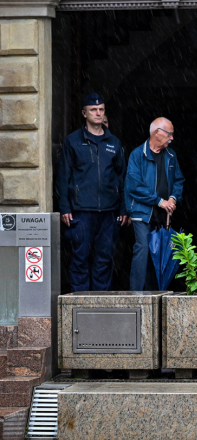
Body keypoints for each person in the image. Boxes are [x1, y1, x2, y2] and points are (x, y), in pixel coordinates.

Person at [55, 93, 129, 292]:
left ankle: (99, 302)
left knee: (104, 258)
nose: (98, 113)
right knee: (80, 257)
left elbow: (122, 178)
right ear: (84, 113)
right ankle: (80, 302)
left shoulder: (114, 142)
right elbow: (63, 177)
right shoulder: (73, 141)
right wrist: (64, 207)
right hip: (81, 210)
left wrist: (124, 208)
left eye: (101, 109)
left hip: (109, 211)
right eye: (93, 110)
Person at [125, 117, 184, 291]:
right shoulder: (137, 154)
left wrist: (173, 198)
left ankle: (157, 292)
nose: (172, 138)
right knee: (143, 247)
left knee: (158, 251)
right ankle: (136, 293)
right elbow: (134, 186)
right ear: (157, 132)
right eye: (169, 134)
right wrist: (159, 201)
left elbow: (179, 180)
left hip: (163, 214)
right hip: (142, 212)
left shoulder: (171, 156)